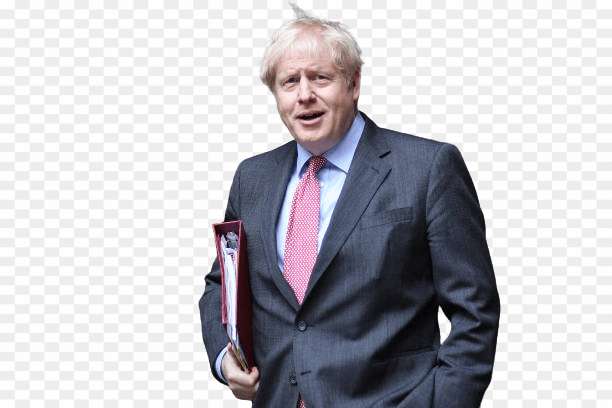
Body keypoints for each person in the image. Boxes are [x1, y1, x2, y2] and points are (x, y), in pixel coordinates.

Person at [199, 5, 500, 407]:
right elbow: (223, 284)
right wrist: (225, 357)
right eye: (290, 81)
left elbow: (475, 314)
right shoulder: (252, 178)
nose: (304, 94)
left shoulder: (427, 169)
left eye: (320, 77)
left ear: (354, 83)